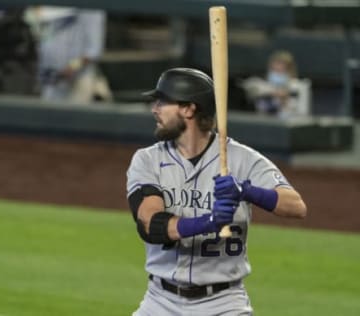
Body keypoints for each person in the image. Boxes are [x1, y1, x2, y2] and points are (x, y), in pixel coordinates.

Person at [126, 68, 307, 315]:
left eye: (162, 101)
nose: (154, 109)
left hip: (224, 303)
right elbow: (150, 224)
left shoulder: (242, 159)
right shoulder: (147, 160)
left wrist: (247, 191)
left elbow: (296, 206)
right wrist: (209, 221)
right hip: (160, 302)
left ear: (188, 109)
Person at [25, 6, 112, 103]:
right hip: (51, 79)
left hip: (78, 80)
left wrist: (71, 67)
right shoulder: (52, 11)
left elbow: (94, 50)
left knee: (75, 116)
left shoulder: (92, 10)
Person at [242, 50, 311, 118]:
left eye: (281, 70)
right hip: (264, 124)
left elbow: (303, 114)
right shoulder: (260, 84)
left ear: (290, 70)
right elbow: (250, 87)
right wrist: (273, 92)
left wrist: (285, 101)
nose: (277, 73)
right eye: (274, 70)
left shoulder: (299, 87)